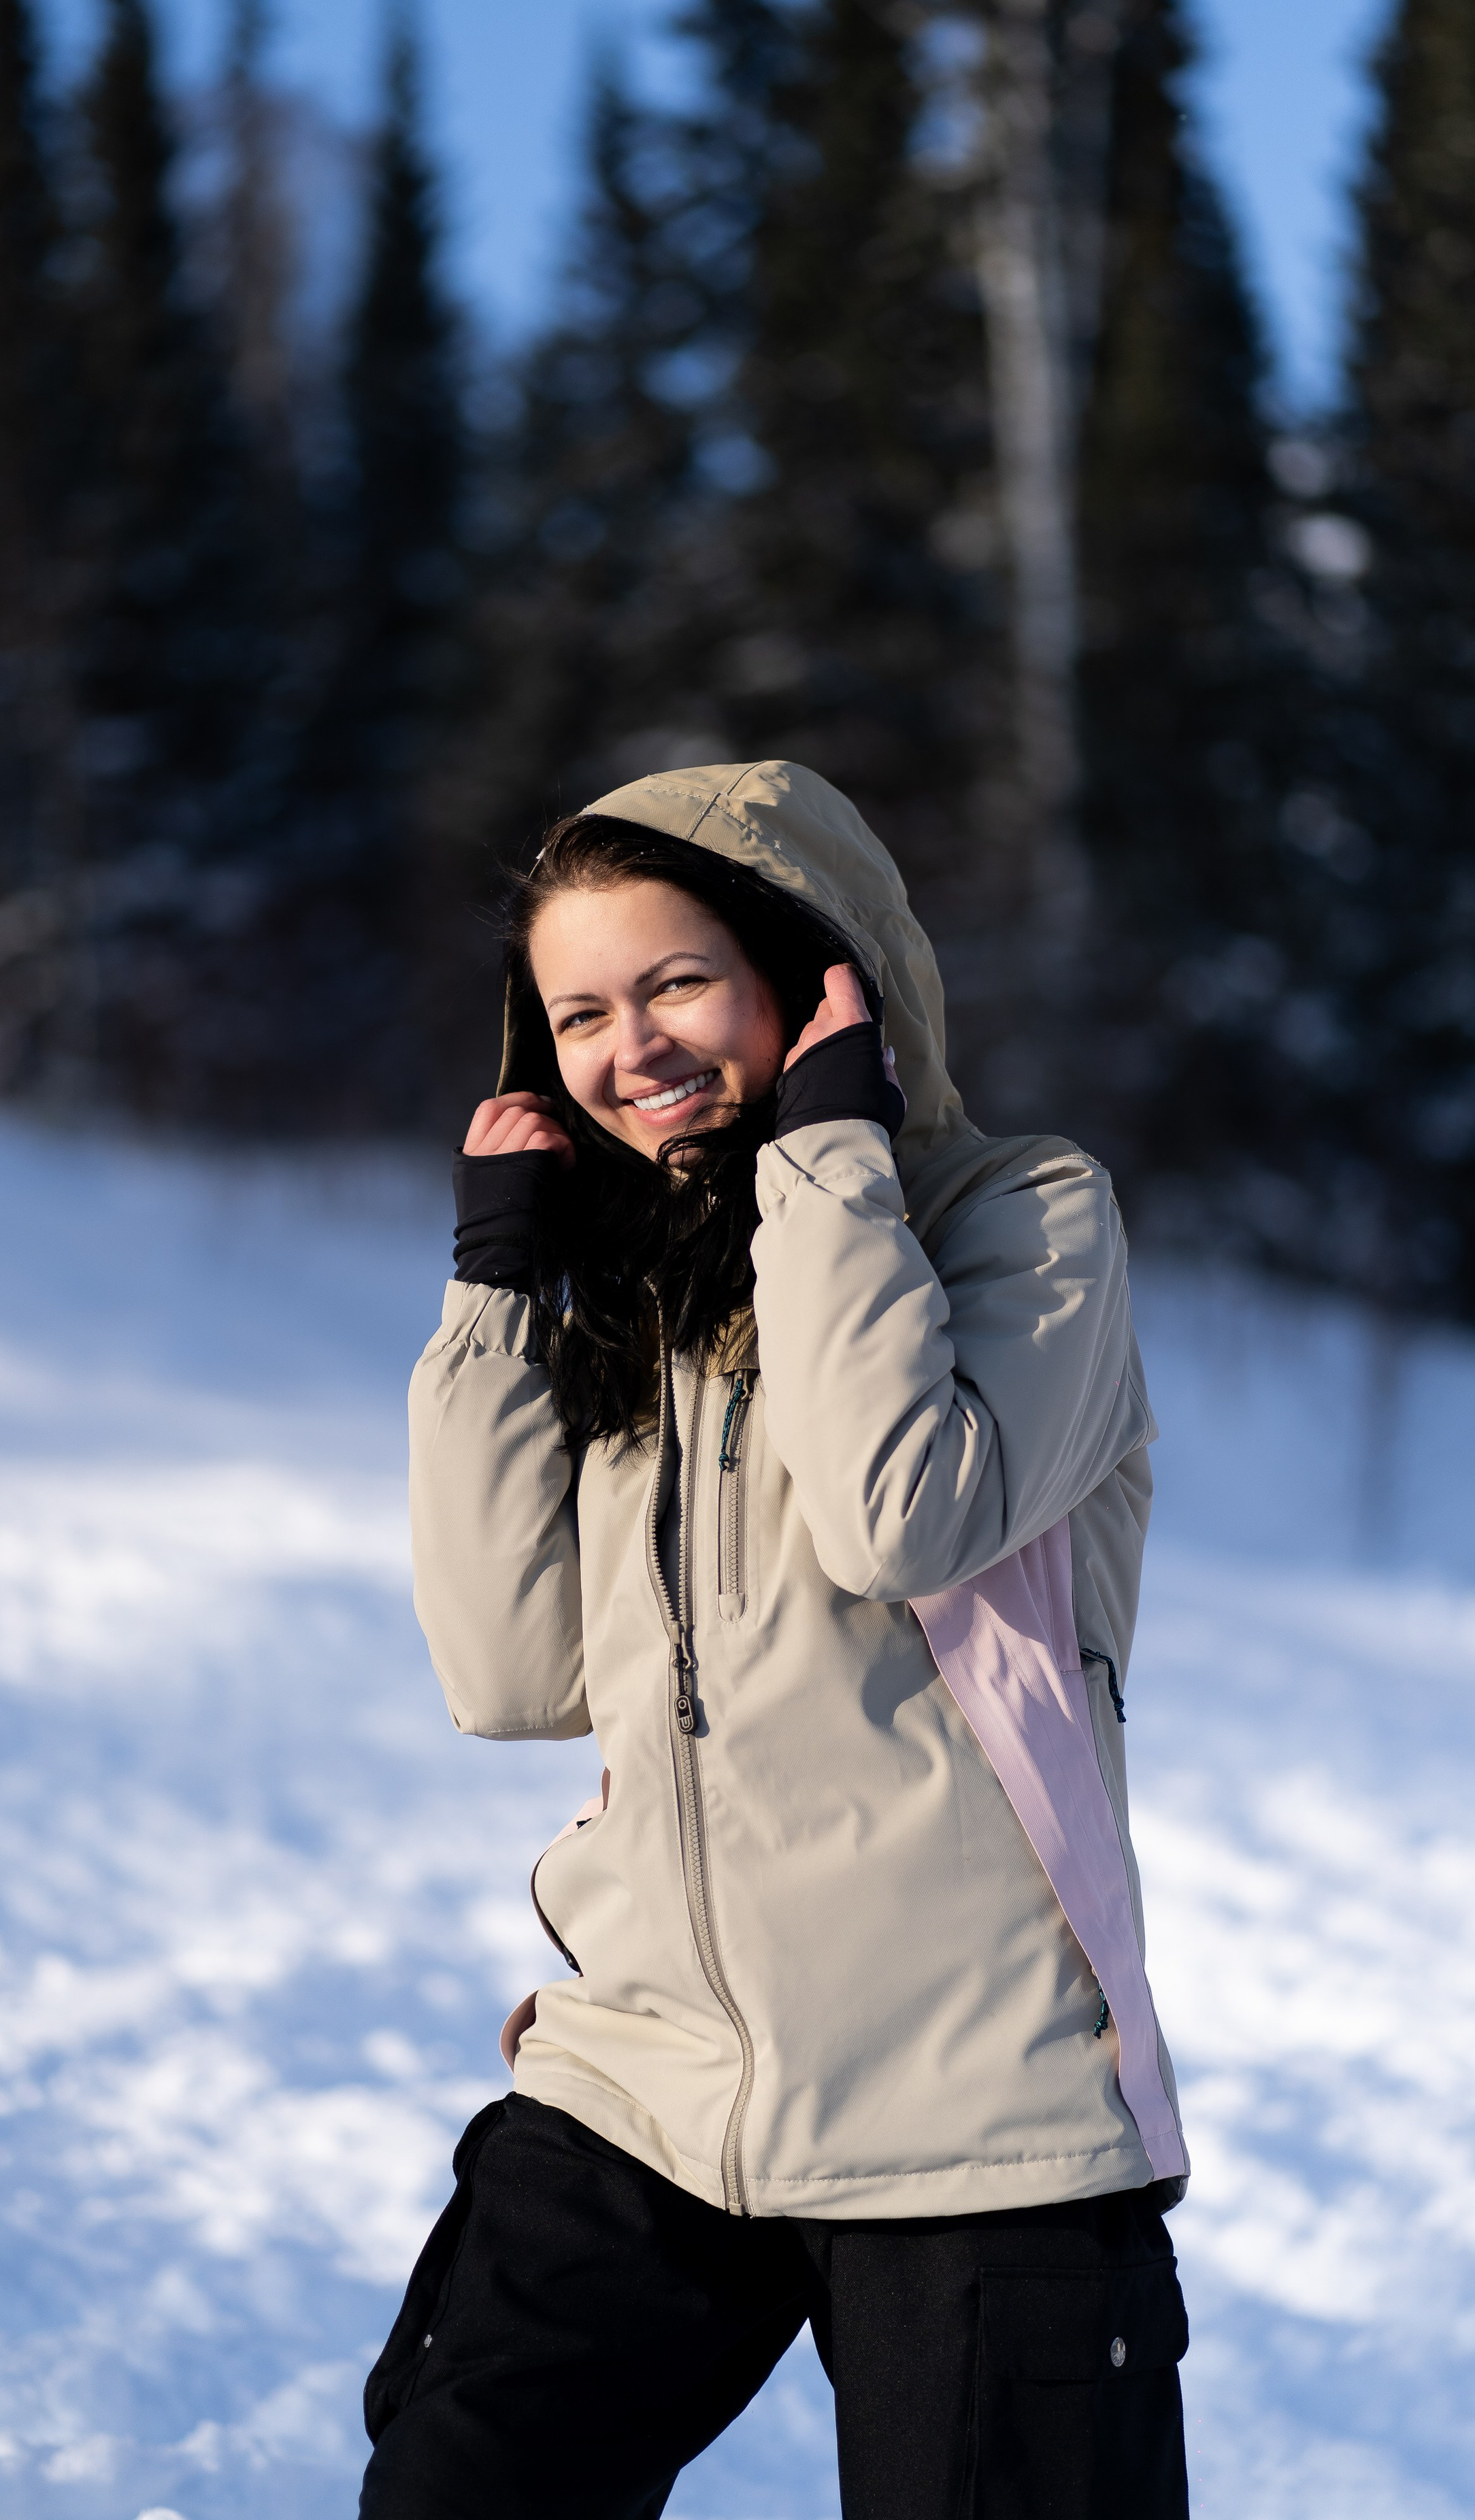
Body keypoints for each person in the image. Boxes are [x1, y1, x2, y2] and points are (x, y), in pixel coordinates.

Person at [361, 760, 1189, 2520]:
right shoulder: (646, 1297)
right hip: (648, 2078)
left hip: (971, 2108)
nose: (629, 1046)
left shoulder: (1025, 1222)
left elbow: (909, 1514)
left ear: (818, 977)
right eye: (578, 1012)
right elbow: (511, 1673)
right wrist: (500, 1303)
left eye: (675, 985)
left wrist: (829, 1150)